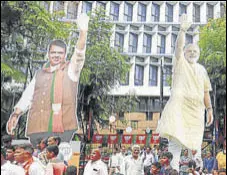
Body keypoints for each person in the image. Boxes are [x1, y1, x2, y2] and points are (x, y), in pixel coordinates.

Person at [6, 13, 90, 146]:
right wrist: (16, 115)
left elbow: (79, 55)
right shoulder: (39, 73)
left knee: (55, 161)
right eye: (53, 52)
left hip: (62, 129)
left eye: (60, 53)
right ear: (48, 54)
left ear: (65, 55)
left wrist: (83, 33)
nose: (56, 56)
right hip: (37, 128)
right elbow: (28, 96)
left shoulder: (71, 69)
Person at [156, 13, 214, 172]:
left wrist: (210, 110)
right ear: (185, 53)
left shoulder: (202, 70)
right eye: (190, 51)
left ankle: (196, 171)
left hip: (196, 112)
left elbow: (206, 92)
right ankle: (173, 170)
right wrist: (182, 31)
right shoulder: (179, 63)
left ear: (199, 54)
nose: (193, 53)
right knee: (175, 142)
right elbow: (178, 48)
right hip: (179, 109)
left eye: (195, 51)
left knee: (194, 144)